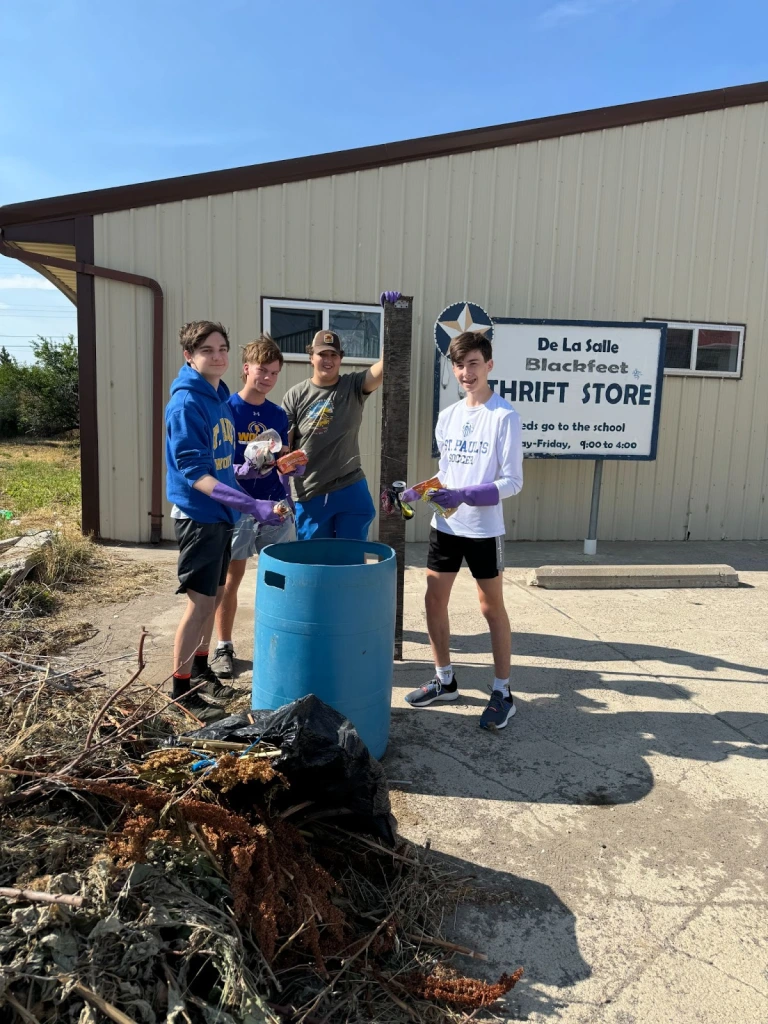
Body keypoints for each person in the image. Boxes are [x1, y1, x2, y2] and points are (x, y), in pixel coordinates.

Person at [401, 330, 523, 730]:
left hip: (484, 530)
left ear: (489, 365)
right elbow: (445, 475)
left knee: (491, 609)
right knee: (433, 601)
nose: (466, 372)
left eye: (473, 363)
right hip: (446, 527)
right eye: (459, 365)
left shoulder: (504, 417)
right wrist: (416, 493)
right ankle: (445, 680)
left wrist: (466, 495)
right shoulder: (447, 416)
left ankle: (503, 692)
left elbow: (512, 482)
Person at [165, 320, 287, 723]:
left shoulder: (216, 397)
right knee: (199, 604)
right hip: (199, 516)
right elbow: (196, 476)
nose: (217, 356)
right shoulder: (187, 403)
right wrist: (254, 506)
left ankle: (200, 670)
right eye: (207, 351)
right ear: (189, 356)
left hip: (221, 513)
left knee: (214, 596)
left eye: (222, 349)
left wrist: (251, 469)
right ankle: (181, 690)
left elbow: (221, 467)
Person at [210, 334, 299, 681]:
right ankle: (224, 646)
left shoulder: (278, 413)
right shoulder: (227, 410)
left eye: (274, 373)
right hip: (240, 508)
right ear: (246, 369)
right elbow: (216, 465)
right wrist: (241, 470)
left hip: (275, 506)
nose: (267, 379)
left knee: (279, 579)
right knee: (231, 579)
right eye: (262, 371)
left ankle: (277, 645)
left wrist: (293, 466)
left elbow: (283, 459)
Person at [281, 328, 382, 540]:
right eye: (322, 354)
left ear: (340, 359)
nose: (328, 360)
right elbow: (285, 446)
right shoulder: (296, 395)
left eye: (333, 355)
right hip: (311, 489)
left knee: (352, 556)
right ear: (311, 358)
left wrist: (393, 320)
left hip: (350, 484)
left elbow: (384, 368)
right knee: (316, 560)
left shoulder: (353, 386)